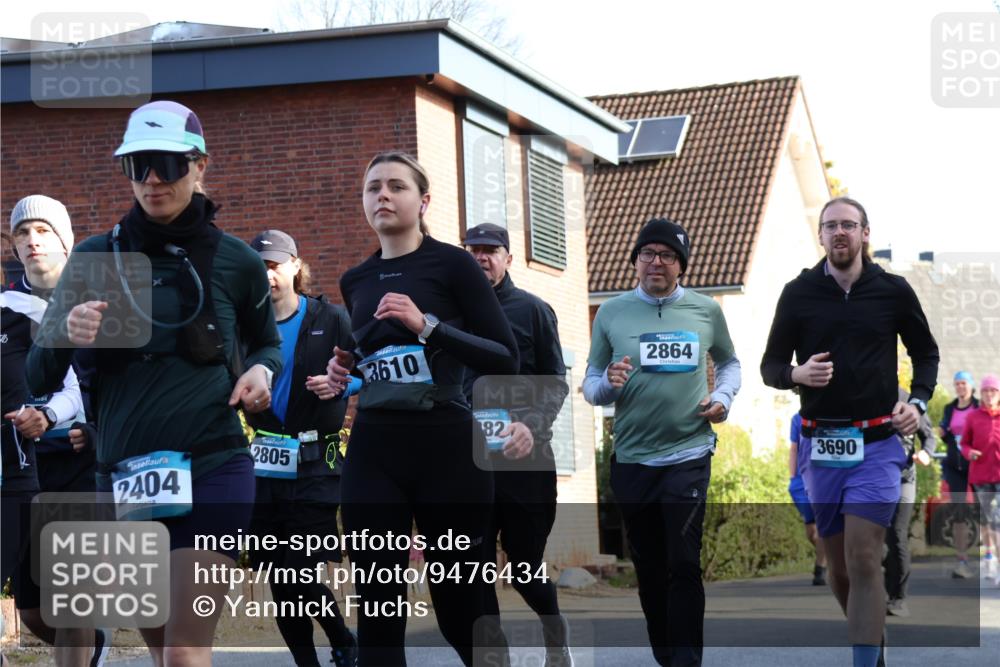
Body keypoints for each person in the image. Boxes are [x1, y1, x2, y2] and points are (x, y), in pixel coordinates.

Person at [27, 101, 282, 667]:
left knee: (184, 652)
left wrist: (263, 371)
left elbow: (266, 342)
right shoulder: (96, 255)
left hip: (214, 466)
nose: (150, 180)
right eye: (137, 165)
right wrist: (64, 332)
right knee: (163, 647)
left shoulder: (237, 260)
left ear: (199, 165)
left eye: (166, 164)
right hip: (127, 479)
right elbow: (37, 375)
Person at [326, 151, 518, 666]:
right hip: (374, 447)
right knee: (377, 607)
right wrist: (348, 370)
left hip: (446, 447)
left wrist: (427, 325)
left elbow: (505, 357)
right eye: (372, 188)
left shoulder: (452, 264)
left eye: (395, 186)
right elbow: (378, 360)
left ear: (423, 200)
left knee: (459, 607)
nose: (382, 196)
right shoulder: (357, 279)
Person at [760, 196, 939, 667]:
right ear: (820, 236)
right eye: (830, 225)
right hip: (822, 445)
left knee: (864, 556)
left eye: (848, 225)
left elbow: (926, 355)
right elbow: (771, 366)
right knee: (838, 568)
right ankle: (871, 643)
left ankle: (863, 659)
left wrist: (916, 404)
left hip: (879, 443)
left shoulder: (893, 290)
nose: (839, 232)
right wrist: (796, 376)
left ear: (864, 234)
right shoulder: (798, 293)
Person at [583, 217, 741, 667]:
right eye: (648, 253)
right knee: (650, 569)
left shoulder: (705, 310)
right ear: (635, 261)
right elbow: (591, 385)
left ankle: (687, 661)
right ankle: (666, 656)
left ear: (681, 266)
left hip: (689, 453)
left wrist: (723, 397)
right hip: (632, 459)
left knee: (684, 562)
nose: (656, 262)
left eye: (668, 255)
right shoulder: (611, 313)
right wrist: (610, 385)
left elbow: (730, 363)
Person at [2, 195, 112, 667]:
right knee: (32, 612)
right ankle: (97, 644)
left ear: (65, 241)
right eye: (22, 233)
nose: (32, 241)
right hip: (25, 471)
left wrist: (89, 428)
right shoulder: (8, 308)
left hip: (84, 469)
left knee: (73, 599)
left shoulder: (103, 301)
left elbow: (126, 386)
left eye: (43, 230)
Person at [246, 229, 360, 667]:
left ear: (295, 265)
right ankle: (318, 655)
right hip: (267, 460)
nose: (267, 275)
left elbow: (367, 368)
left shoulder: (330, 318)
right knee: (279, 575)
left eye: (274, 265)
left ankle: (340, 636)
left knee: (298, 566)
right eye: (258, 268)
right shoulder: (245, 325)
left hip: (318, 461)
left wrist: (344, 383)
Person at [461, 222, 571, 665]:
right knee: (476, 569)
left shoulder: (533, 310)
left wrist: (531, 425)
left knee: (525, 569)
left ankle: (554, 632)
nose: (481, 258)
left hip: (526, 461)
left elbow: (556, 382)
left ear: (507, 258)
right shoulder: (451, 313)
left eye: (491, 251)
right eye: (473, 251)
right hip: (470, 463)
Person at [883, 388, 935, 618]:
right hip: (873, 479)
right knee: (875, 538)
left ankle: (899, 597)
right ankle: (880, 591)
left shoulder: (907, 399)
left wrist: (927, 453)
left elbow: (929, 436)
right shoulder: (863, 394)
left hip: (904, 477)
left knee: (896, 533)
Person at [939, 371, 979, 579]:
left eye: (964, 383)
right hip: (955, 467)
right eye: (957, 384)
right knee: (959, 514)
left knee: (989, 515)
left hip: (979, 466)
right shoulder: (949, 408)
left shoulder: (980, 407)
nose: (960, 387)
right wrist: (943, 433)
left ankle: (993, 561)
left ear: (972, 386)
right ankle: (962, 560)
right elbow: (944, 432)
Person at [961, 373, 1000, 585]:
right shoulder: (973, 417)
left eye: (993, 390)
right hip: (981, 476)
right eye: (986, 390)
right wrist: (969, 453)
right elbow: (964, 443)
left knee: (998, 521)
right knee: (986, 522)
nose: (989, 394)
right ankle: (989, 558)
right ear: (981, 393)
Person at [787, 411, 827, 586]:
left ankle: (820, 568)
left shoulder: (829, 415)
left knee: (821, 530)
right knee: (811, 532)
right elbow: (794, 448)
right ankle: (829, 555)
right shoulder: (797, 419)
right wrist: (792, 476)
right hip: (802, 480)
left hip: (825, 478)